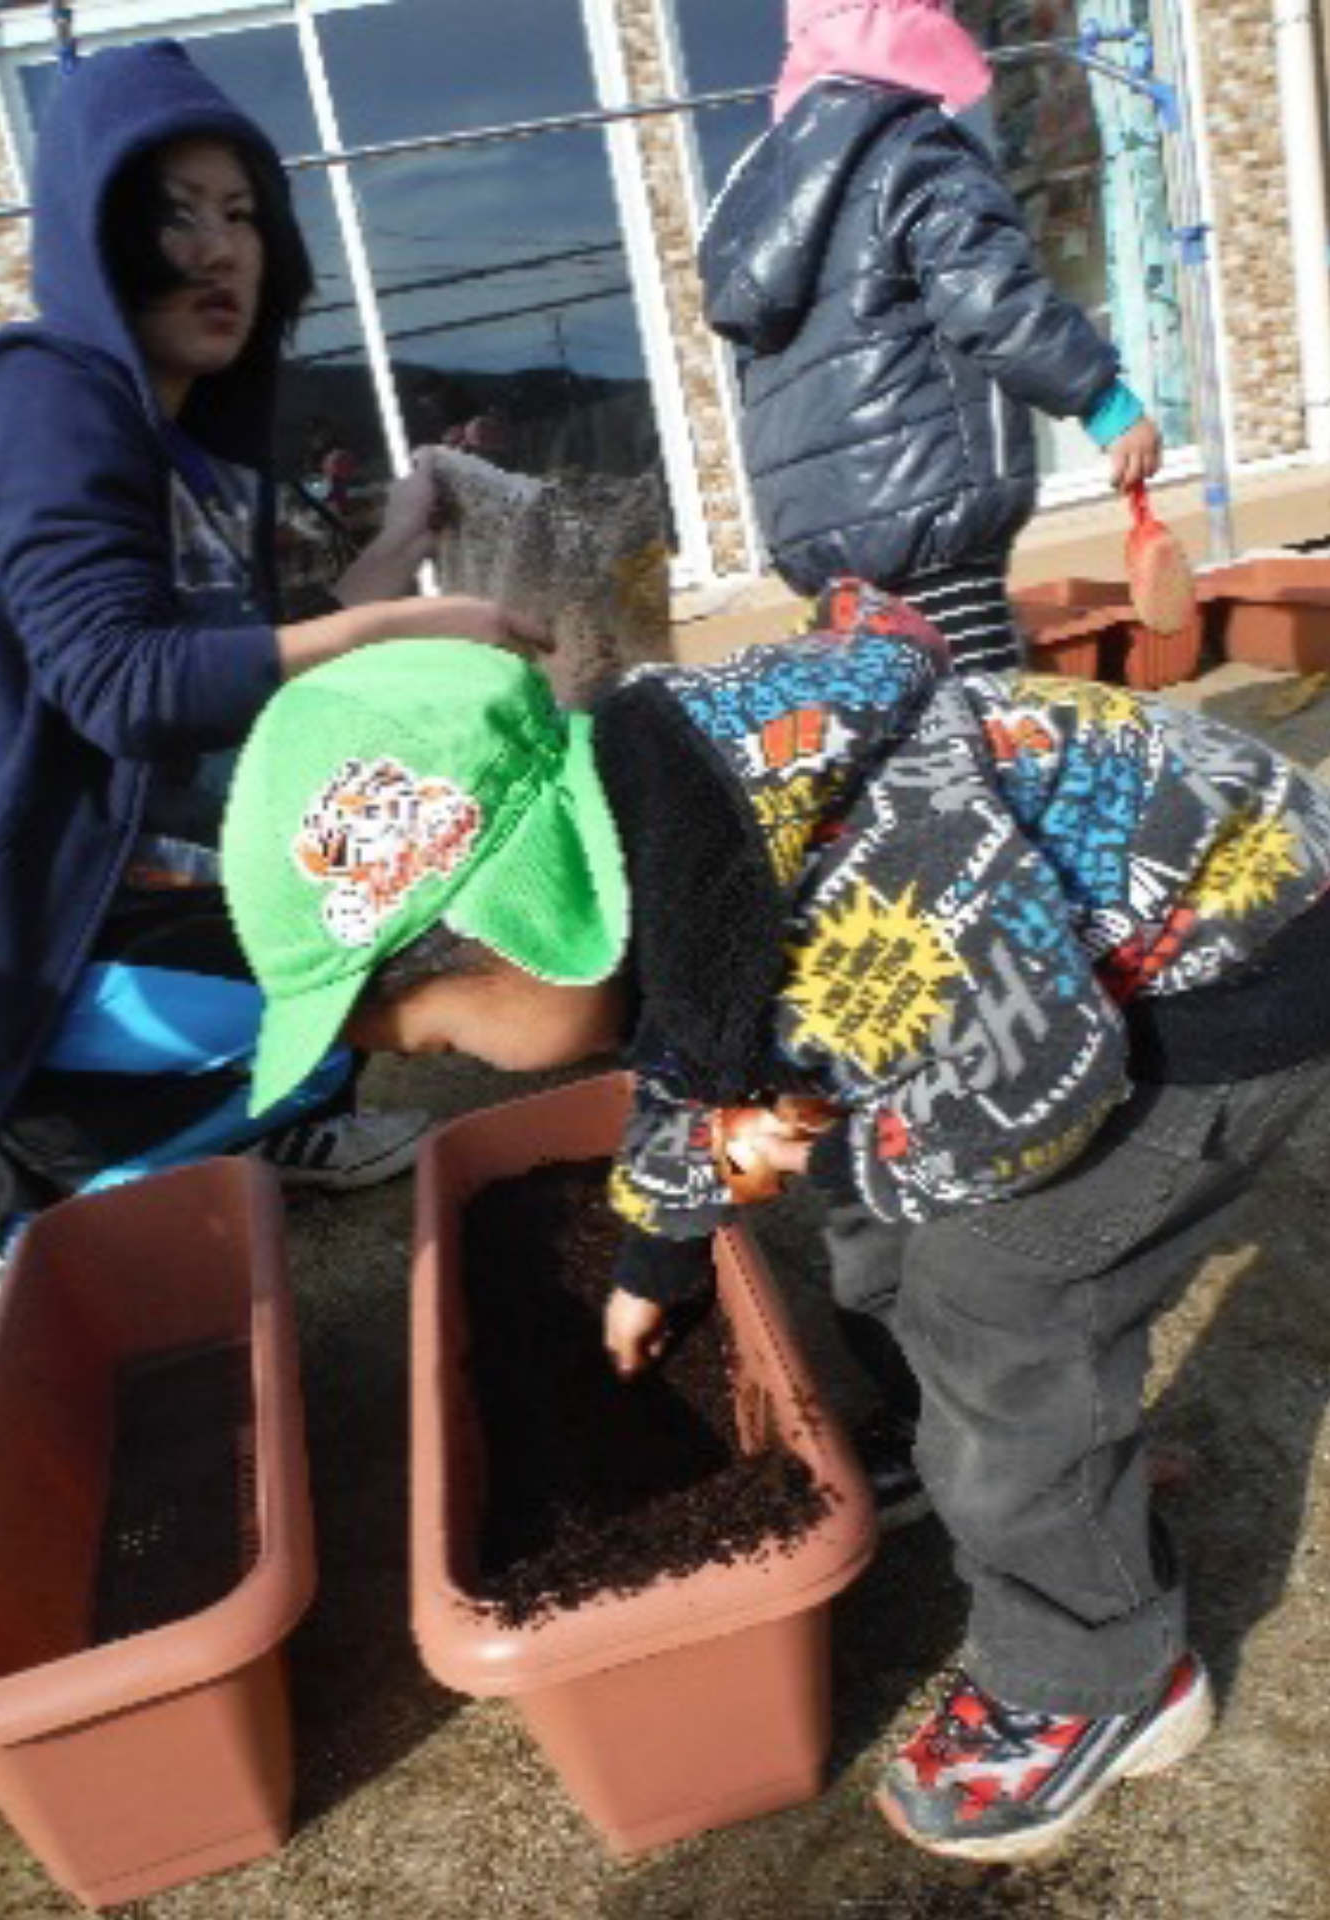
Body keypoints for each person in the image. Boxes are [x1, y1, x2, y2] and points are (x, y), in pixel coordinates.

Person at [220, 594, 1330, 1862]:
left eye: (446, 1039)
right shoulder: (658, 853)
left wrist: (829, 1146)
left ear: (518, 925)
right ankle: (994, 1451)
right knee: (874, 1226)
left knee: (1004, 1311)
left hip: (1222, 977)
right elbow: (701, 1055)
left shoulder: (872, 879)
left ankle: (1099, 1676)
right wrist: (654, 1256)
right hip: (1018, 990)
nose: (467, 1067)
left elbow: (1040, 1081)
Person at [0, 39, 542, 1293]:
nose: (218, 250)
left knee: (388, 875)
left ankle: (273, 1107)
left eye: (242, 215)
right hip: (39, 908)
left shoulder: (193, 454)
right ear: (89, 227)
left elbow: (246, 655)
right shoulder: (39, 392)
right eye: (173, 214)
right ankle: (11, 1167)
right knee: (359, 985)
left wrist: (400, 544)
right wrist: (402, 631)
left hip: (148, 865)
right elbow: (122, 684)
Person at [696, 0, 1163, 672]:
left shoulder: (764, 191)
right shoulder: (910, 148)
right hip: (927, 511)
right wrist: (1103, 402)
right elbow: (990, 297)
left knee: (905, 732)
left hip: (821, 545)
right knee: (979, 723)